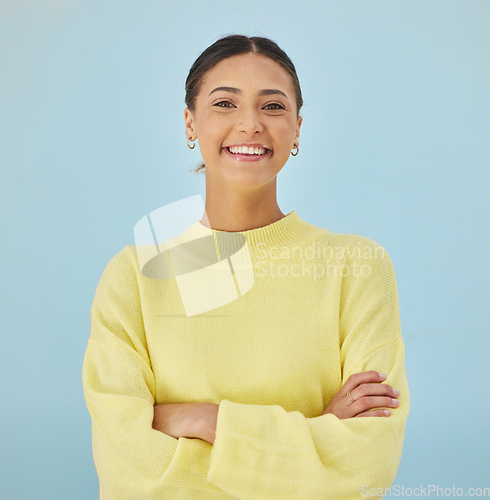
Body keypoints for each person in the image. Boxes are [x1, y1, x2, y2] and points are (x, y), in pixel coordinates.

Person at [82, 34, 409, 499]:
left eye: (273, 107)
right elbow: (131, 469)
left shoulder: (356, 266)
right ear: (190, 122)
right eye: (224, 103)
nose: (250, 124)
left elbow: (366, 464)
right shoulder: (136, 275)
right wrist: (314, 435)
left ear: (297, 128)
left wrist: (205, 420)